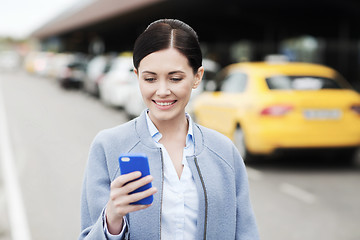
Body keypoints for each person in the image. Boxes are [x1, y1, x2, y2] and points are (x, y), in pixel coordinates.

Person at [79, 19, 259, 240]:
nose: (162, 91)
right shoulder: (108, 146)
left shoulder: (224, 151)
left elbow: (246, 233)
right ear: (137, 77)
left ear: (197, 77)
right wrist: (112, 219)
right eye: (150, 79)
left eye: (175, 78)